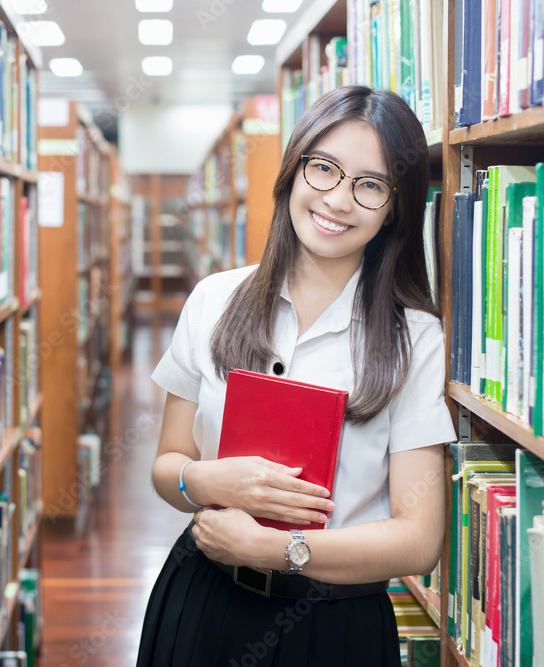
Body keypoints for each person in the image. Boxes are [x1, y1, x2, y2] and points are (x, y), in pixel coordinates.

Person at [137, 86, 457, 667]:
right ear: (294, 170)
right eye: (324, 169)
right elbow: (167, 467)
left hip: (333, 626)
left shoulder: (415, 339)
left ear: (396, 206)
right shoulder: (214, 299)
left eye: (370, 184)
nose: (338, 200)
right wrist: (209, 483)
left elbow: (419, 537)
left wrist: (280, 548)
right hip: (200, 601)